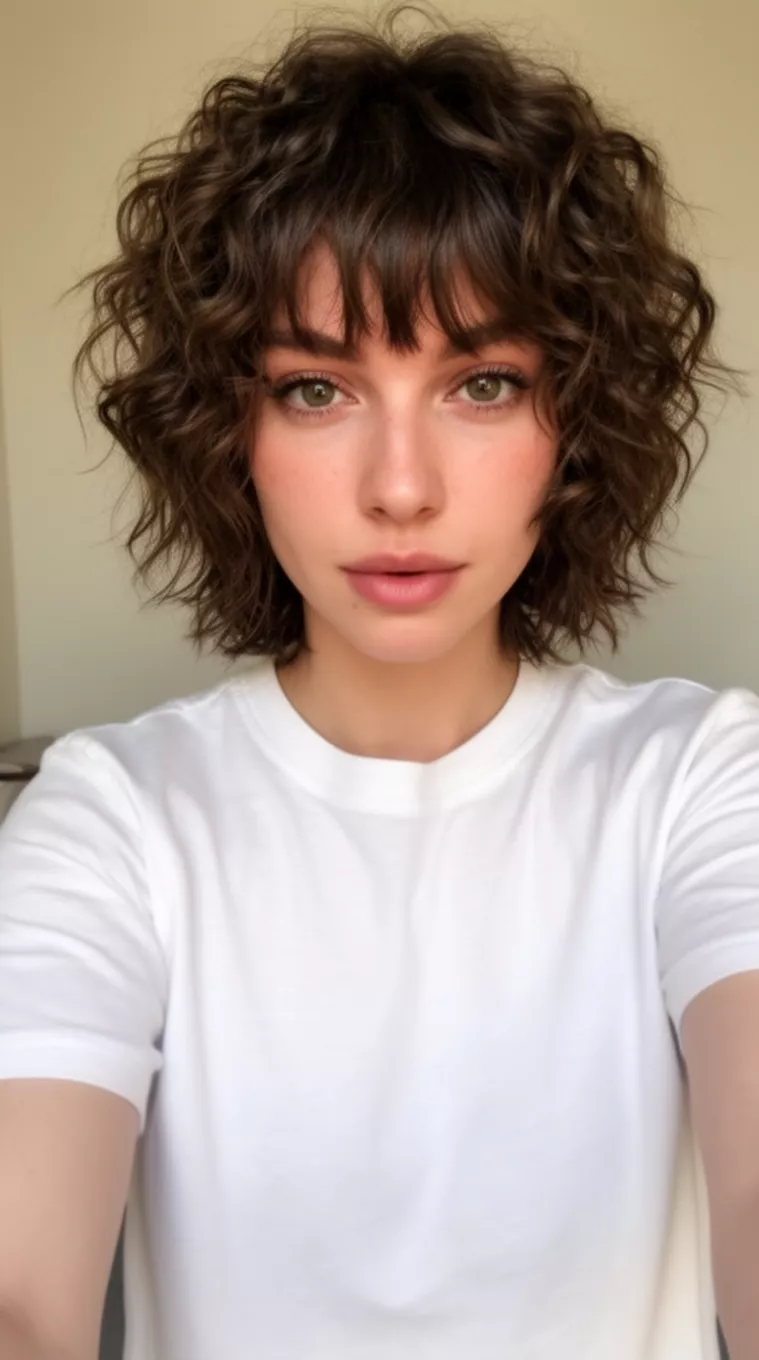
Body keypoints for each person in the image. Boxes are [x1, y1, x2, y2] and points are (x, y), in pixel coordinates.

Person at [0, 4, 757, 1358]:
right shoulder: (113, 817)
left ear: (574, 422)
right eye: (315, 390)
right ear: (225, 428)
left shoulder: (698, 782)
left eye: (482, 384)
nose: (398, 489)